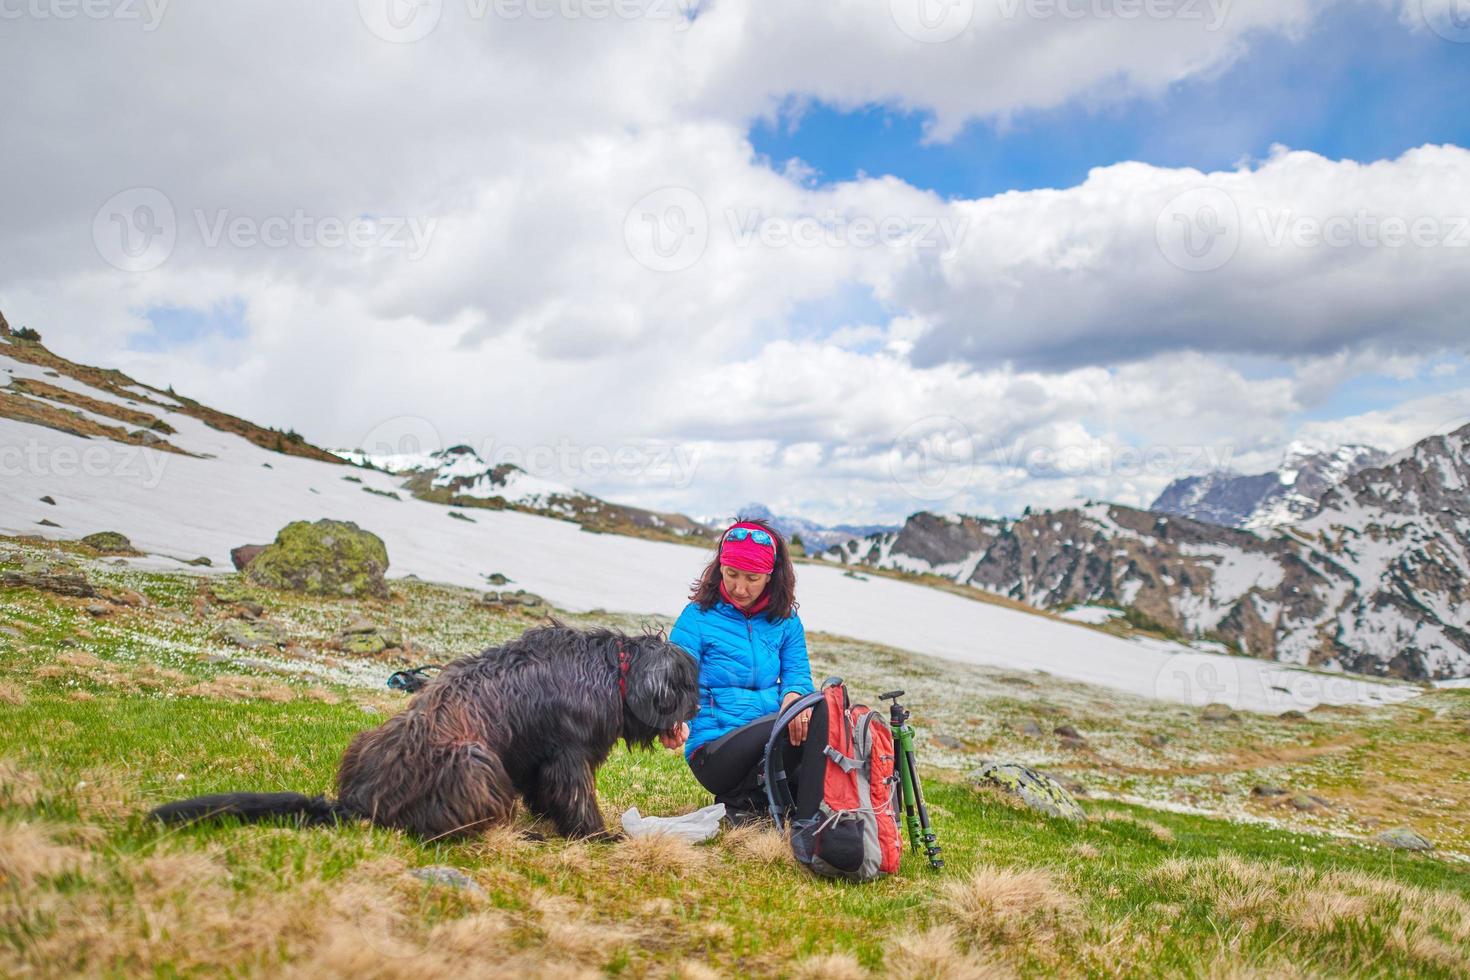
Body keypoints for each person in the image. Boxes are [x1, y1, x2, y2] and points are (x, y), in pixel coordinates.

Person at [663, 517, 828, 826]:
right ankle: (807, 824)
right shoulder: (697, 617)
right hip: (715, 750)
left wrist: (794, 697)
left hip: (768, 740)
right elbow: (674, 677)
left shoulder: (786, 621)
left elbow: (797, 675)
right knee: (808, 717)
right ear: (719, 569)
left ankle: (762, 805)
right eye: (731, 574)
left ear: (771, 576)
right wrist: (671, 718)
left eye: (752, 577)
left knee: (817, 710)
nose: (740, 587)